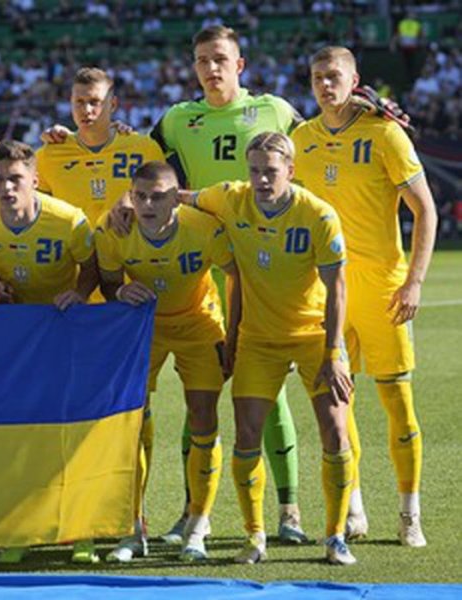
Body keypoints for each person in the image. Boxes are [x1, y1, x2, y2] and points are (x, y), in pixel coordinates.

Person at [107, 25, 309, 547]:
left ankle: (289, 511)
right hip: (198, 270)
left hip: (259, 271)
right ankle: (195, 513)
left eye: (220, 58)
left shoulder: (277, 111)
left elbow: (316, 153)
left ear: (240, 64)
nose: (210, 68)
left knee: (265, 392)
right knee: (201, 399)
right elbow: (143, 163)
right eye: (201, 60)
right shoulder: (178, 120)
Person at [185, 132, 356, 566]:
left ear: (291, 171)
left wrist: (334, 353)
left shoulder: (318, 215)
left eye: (271, 171)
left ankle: (335, 537)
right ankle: (255, 535)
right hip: (259, 341)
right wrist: (128, 205)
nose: (261, 179)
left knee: (336, 431)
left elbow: (338, 288)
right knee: (246, 436)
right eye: (255, 170)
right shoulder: (230, 198)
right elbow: (180, 196)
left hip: (314, 335)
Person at [291, 46, 437, 547]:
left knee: (398, 402)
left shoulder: (384, 134)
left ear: (355, 80)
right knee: (337, 405)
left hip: (383, 291)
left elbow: (426, 211)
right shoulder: (302, 139)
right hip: (327, 293)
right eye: (317, 77)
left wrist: (414, 281)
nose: (325, 85)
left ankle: (409, 512)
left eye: (334, 76)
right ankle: (353, 508)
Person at [94, 161, 239, 562]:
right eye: (140, 195)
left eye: (158, 196)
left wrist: (237, 335)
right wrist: (120, 292)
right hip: (144, 328)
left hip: (199, 324)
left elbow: (235, 276)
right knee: (133, 420)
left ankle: (197, 526)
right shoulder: (114, 230)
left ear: (176, 197)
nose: (147, 204)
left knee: (203, 417)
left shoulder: (204, 228)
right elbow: (107, 283)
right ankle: (133, 529)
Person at [0, 140, 99, 564]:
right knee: (22, 435)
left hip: (67, 333)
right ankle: (24, 528)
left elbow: (94, 265)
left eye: (16, 179)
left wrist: (78, 293)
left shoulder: (68, 220)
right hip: (20, 337)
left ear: (35, 181)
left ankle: (81, 533)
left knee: (70, 435)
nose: (6, 187)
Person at [36, 67, 164, 227]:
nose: (86, 110)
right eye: (79, 102)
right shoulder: (49, 154)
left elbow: (167, 201)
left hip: (128, 249)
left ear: (113, 104)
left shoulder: (144, 148)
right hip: (75, 251)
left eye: (94, 102)